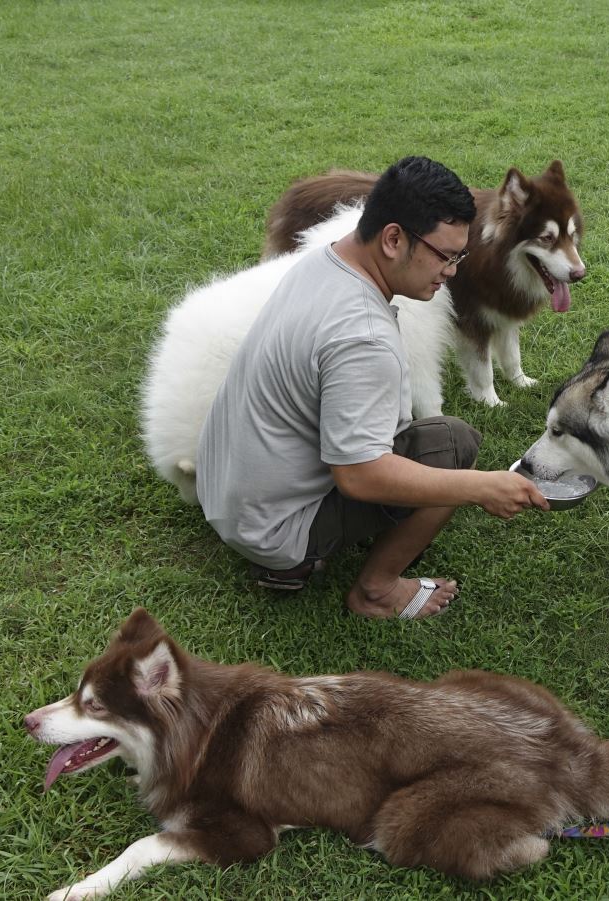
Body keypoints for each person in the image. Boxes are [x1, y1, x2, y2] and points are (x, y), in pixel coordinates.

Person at [196, 156, 547, 618]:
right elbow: (360, 475)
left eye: (459, 257)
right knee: (450, 443)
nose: (452, 272)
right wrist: (481, 487)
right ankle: (375, 590)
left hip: (221, 495)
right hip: (272, 531)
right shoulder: (364, 337)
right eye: (445, 256)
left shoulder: (320, 261)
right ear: (393, 238)